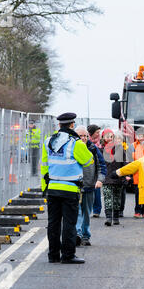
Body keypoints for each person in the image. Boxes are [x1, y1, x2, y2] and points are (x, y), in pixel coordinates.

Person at [41, 112, 94, 264]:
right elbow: (88, 161)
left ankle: (53, 255)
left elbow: (44, 167)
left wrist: (45, 188)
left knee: (53, 224)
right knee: (69, 224)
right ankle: (68, 255)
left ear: (59, 125)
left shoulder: (48, 141)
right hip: (70, 189)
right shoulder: (75, 143)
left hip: (52, 189)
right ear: (72, 125)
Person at [74, 126, 106, 246]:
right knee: (77, 211)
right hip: (75, 186)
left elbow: (101, 165)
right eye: (81, 136)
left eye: (85, 136)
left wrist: (100, 180)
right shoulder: (72, 148)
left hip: (89, 186)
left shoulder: (93, 149)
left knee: (86, 212)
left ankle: (85, 236)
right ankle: (77, 234)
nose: (83, 138)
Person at [102, 132, 129, 226]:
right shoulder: (106, 149)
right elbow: (102, 163)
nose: (117, 141)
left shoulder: (122, 151)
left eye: (119, 139)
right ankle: (109, 218)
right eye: (115, 139)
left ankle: (116, 217)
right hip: (107, 178)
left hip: (118, 178)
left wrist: (125, 176)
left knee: (117, 199)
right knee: (108, 198)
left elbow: (125, 164)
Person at [132, 127, 144, 219]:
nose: (140, 137)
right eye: (138, 135)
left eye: (142, 135)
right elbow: (131, 158)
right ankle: (137, 210)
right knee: (137, 193)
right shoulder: (133, 145)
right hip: (137, 172)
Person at [87, 124, 104, 218]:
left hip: (97, 167)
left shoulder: (100, 142)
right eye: (97, 132)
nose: (99, 134)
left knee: (97, 190)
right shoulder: (86, 141)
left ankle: (96, 210)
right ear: (92, 133)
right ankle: (88, 208)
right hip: (88, 168)